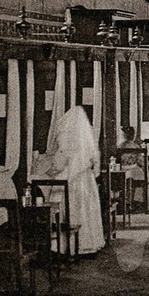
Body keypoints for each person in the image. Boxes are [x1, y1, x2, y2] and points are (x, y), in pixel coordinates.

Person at [42, 105, 105, 254]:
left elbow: (59, 162)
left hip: (69, 179)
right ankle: (86, 243)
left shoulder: (67, 138)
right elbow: (94, 161)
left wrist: (52, 170)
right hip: (86, 180)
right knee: (85, 211)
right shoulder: (88, 138)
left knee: (66, 209)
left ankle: (65, 246)